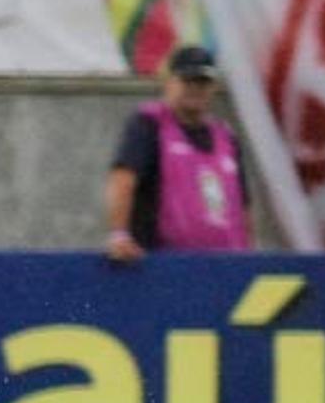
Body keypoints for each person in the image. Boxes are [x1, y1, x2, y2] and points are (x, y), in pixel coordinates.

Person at [105, 45, 252, 262]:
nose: (195, 88)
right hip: (162, 265)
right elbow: (122, 179)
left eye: (202, 82)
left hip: (225, 267)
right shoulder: (149, 124)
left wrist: (249, 258)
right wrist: (119, 235)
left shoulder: (226, 137)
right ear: (169, 82)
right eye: (187, 80)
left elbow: (243, 205)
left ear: (214, 87)